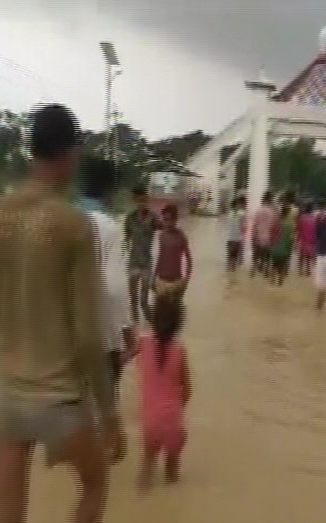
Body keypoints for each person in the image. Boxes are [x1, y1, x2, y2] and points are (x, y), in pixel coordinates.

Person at [0, 104, 123, 523]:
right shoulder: (74, 225)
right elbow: (88, 334)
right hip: (58, 399)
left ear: (32, 150)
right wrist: (109, 413)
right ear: (69, 155)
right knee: (96, 484)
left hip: (5, 396)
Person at [77, 157, 133, 391]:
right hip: (100, 337)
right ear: (111, 190)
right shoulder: (109, 228)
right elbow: (115, 288)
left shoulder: (63, 221)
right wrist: (128, 331)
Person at [129, 294, 192, 490]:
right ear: (178, 324)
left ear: (153, 320)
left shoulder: (142, 344)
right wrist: (175, 410)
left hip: (150, 423)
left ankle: (141, 504)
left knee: (147, 467)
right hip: (174, 421)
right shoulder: (180, 350)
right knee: (172, 474)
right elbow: (188, 390)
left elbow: (122, 358)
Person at [124, 183, 160, 325]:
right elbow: (126, 240)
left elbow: (165, 231)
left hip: (146, 263)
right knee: (132, 298)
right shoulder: (129, 218)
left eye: (143, 200)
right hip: (133, 261)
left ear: (147, 199)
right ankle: (136, 326)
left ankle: (152, 324)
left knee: (144, 300)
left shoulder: (153, 218)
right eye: (138, 200)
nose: (141, 204)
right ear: (134, 200)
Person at [153, 204, 192, 300]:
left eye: (170, 219)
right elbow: (160, 257)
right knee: (160, 312)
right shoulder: (162, 236)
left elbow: (189, 260)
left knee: (175, 312)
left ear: (176, 220)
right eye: (165, 220)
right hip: (161, 280)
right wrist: (153, 277)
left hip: (177, 281)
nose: (168, 223)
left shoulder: (181, 236)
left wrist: (186, 280)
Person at [250, 191, 277, 279]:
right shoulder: (273, 212)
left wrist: (253, 237)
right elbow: (274, 226)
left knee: (256, 256)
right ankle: (265, 272)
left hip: (258, 236)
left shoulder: (258, 210)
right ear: (270, 200)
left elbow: (254, 224)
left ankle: (252, 273)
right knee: (267, 257)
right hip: (268, 237)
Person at [269, 203, 296, 286]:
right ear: (288, 214)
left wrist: (272, 247)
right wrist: (289, 250)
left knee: (274, 266)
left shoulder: (275, 225)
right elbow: (291, 240)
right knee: (282, 267)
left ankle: (272, 281)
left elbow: (271, 237)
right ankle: (280, 282)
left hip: (275, 249)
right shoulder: (290, 227)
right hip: (284, 250)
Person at [226, 195, 247, 272]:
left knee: (230, 251)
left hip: (230, 235)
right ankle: (233, 267)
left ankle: (229, 265)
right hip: (238, 235)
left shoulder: (230, 212)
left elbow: (228, 223)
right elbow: (244, 225)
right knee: (235, 252)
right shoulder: (242, 213)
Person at [296, 201, 317, 277]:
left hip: (303, 239)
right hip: (311, 240)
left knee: (301, 256)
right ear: (312, 209)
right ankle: (307, 270)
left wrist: (297, 241)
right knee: (308, 256)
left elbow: (298, 230)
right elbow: (316, 230)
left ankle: (300, 271)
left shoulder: (302, 218)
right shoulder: (314, 218)